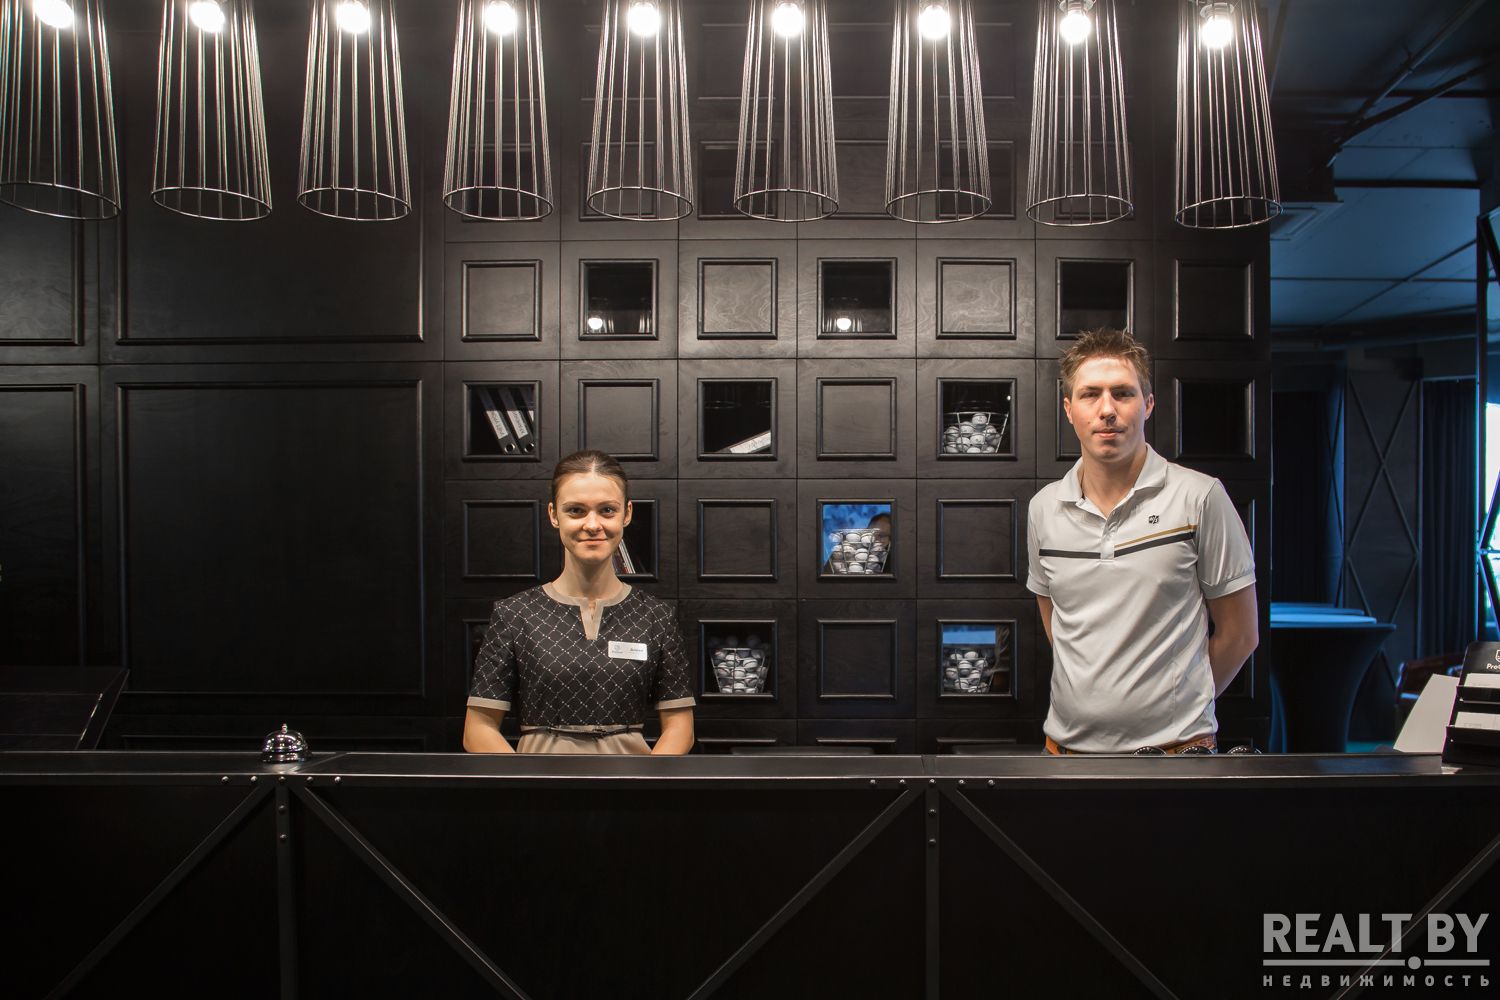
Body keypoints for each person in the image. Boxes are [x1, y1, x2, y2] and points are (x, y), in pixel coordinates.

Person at [1027, 329, 1258, 754]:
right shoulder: (1044, 508)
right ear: (1069, 409)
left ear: (1148, 404)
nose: (1107, 410)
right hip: (1064, 753)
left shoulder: (1199, 497)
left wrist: (1179, 707)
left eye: (1123, 393)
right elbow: (1058, 625)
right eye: (1090, 394)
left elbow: (1241, 634)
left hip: (1177, 754)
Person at [462, 450, 696, 754]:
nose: (592, 524)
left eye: (607, 510)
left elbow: (680, 728)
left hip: (631, 781)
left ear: (626, 514)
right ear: (553, 515)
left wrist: (643, 780)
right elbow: (478, 730)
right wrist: (529, 780)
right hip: (540, 781)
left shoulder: (656, 617)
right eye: (576, 510)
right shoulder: (514, 615)